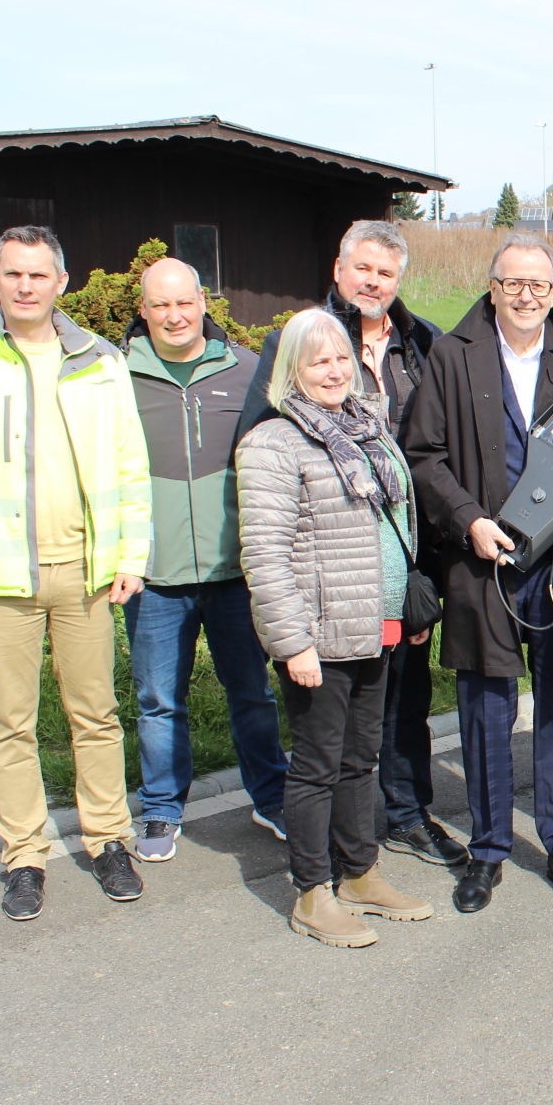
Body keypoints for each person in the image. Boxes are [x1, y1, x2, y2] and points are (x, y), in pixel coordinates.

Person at [0, 225, 151, 921]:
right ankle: (24, 856)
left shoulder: (101, 359)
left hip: (86, 571)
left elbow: (130, 465)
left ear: (60, 283)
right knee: (10, 722)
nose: (25, 286)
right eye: (13, 273)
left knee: (95, 714)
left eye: (38, 275)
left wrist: (132, 554)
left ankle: (108, 840)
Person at [402, 233, 553, 914]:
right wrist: (469, 519)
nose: (527, 297)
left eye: (540, 285)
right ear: (492, 288)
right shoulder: (452, 355)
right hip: (484, 562)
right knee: (485, 711)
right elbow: (424, 456)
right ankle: (489, 850)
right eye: (514, 284)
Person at [239, 221, 462, 870]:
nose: (373, 282)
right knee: (329, 739)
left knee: (402, 706)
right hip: (329, 575)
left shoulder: (422, 344)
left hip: (400, 562)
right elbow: (264, 456)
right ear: (339, 269)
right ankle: (328, 863)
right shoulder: (301, 338)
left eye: (386, 273)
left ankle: (404, 816)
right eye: (362, 268)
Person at [237, 308, 434, 948]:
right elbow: (264, 555)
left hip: (376, 623)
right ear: (291, 369)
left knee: (360, 758)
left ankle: (359, 872)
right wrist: (292, 642)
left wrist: (404, 609)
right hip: (319, 634)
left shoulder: (367, 425)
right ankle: (312, 891)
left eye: (342, 358)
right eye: (318, 360)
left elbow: (394, 524)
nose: (333, 371)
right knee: (317, 765)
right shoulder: (273, 443)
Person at [119, 257, 289, 860]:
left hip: (234, 570)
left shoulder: (245, 370)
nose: (174, 316)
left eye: (184, 302)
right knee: (159, 701)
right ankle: (161, 810)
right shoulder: (116, 377)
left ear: (203, 303)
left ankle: (272, 798)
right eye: (160, 305)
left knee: (252, 693)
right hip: (153, 574)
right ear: (143, 310)